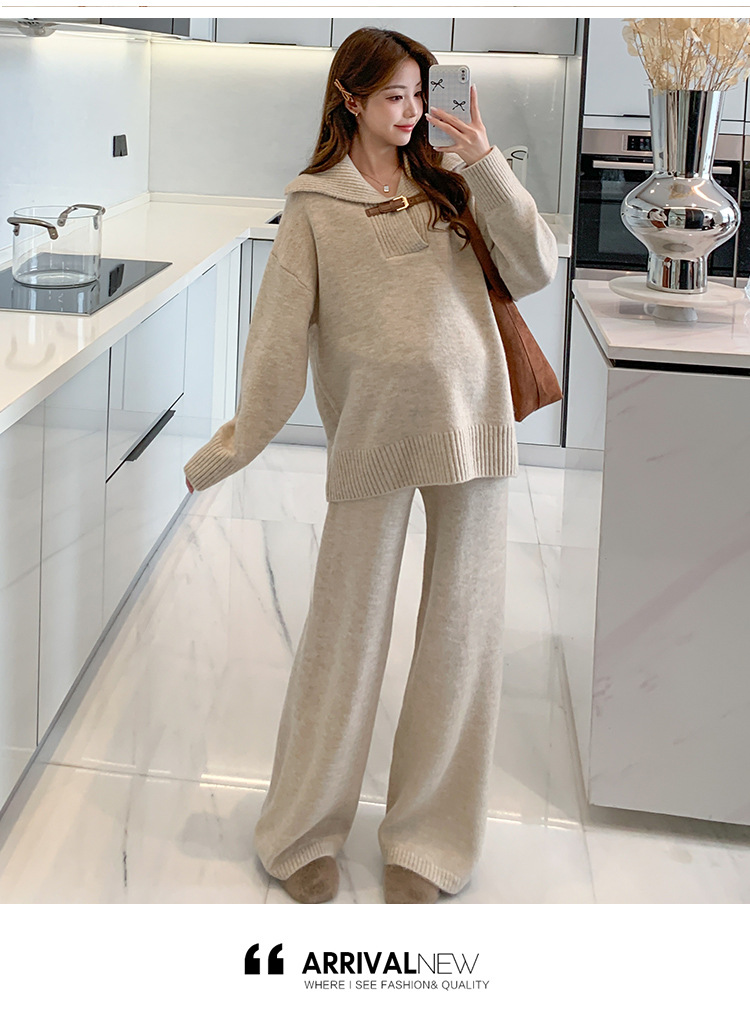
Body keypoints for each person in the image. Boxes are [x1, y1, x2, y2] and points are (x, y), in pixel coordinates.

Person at [183, 27, 558, 904]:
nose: (414, 110)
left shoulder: (455, 181)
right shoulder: (313, 206)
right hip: (372, 439)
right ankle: (302, 830)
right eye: (395, 95)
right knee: (343, 636)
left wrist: (485, 159)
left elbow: (537, 267)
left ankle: (429, 842)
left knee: (460, 640)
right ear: (349, 99)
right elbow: (276, 344)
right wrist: (229, 447)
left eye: (422, 93)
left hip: (474, 431)